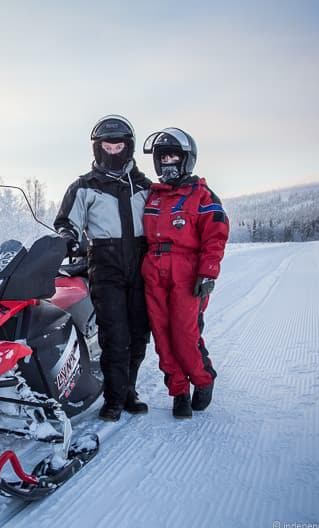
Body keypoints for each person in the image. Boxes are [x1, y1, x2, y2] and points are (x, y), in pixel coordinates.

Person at [54, 114, 152, 422]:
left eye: (118, 145)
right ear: (98, 148)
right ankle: (113, 399)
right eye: (107, 145)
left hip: (140, 265)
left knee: (138, 334)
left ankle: (129, 392)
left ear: (129, 147)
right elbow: (66, 221)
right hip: (105, 266)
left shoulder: (145, 186)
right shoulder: (84, 187)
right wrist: (68, 237)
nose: (113, 150)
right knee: (114, 335)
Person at [140, 127, 229, 419]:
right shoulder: (151, 196)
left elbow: (216, 235)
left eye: (173, 156)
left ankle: (203, 380)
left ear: (186, 159)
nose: (167, 162)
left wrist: (208, 273)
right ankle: (178, 392)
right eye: (162, 157)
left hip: (186, 271)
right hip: (153, 269)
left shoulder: (202, 195)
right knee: (162, 337)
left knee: (184, 334)